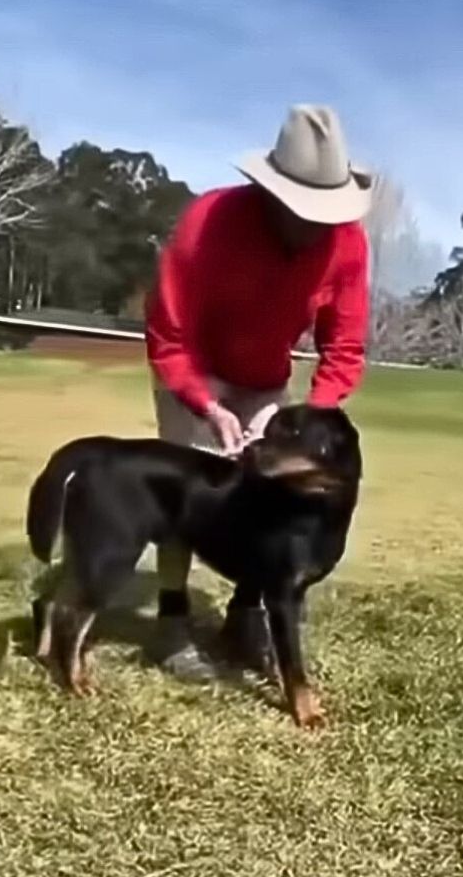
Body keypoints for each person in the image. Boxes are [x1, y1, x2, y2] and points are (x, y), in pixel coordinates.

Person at [144, 104, 372, 680]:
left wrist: (303, 420)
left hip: (267, 377)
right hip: (194, 370)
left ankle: (245, 615)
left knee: (268, 497)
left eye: (326, 214)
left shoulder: (346, 245)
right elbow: (169, 336)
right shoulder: (209, 222)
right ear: (270, 193)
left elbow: (343, 349)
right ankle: (170, 618)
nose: (315, 227)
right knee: (185, 495)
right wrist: (209, 409)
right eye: (303, 212)